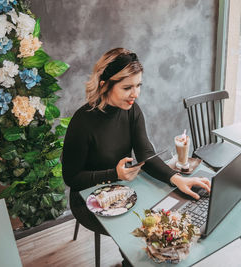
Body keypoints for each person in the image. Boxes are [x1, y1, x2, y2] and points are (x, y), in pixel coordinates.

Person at [62, 48, 211, 265]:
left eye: (138, 85)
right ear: (104, 84)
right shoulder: (82, 122)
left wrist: (179, 179)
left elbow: (146, 155)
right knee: (141, 234)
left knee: (155, 225)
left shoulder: (132, 110)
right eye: (127, 87)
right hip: (87, 200)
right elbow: (71, 178)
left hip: (125, 191)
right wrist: (114, 173)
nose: (136, 93)